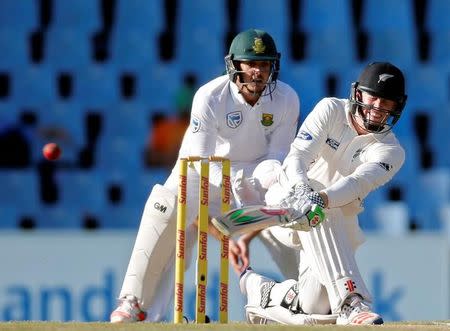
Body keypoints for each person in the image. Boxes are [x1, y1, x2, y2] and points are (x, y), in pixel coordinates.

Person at [110, 28, 300, 322]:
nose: (258, 72)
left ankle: (310, 299)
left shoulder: (287, 98)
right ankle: (133, 302)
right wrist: (230, 192)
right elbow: (200, 158)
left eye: (264, 64)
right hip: (200, 171)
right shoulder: (210, 96)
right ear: (234, 65)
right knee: (166, 207)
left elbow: (277, 157)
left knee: (289, 209)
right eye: (250, 63)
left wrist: (258, 196)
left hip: (255, 173)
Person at [225, 62, 408, 325]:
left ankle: (263, 291)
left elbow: (357, 184)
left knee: (316, 305)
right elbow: (299, 154)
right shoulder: (331, 109)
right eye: (374, 97)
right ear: (358, 95)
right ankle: (352, 303)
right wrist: (302, 189)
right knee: (310, 203)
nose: (379, 107)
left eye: (387, 102)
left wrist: (318, 198)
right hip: (288, 205)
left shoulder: (391, 151)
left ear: (397, 106)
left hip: (333, 226)